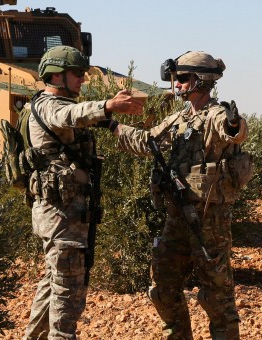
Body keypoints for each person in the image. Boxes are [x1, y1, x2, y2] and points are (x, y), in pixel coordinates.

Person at [112, 51, 250, 340]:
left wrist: (235, 124)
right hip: (178, 218)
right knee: (162, 285)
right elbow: (147, 142)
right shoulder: (179, 119)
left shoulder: (215, 115)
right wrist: (112, 126)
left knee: (216, 295)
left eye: (183, 78)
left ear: (200, 80)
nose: (177, 84)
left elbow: (233, 131)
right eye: (176, 78)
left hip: (208, 221)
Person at [23, 45, 143, 339]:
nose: (82, 79)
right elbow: (72, 115)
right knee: (68, 288)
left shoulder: (52, 103)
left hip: (63, 214)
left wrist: (111, 121)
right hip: (60, 216)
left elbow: (78, 115)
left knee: (55, 281)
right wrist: (107, 106)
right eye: (77, 74)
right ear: (56, 75)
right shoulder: (49, 106)